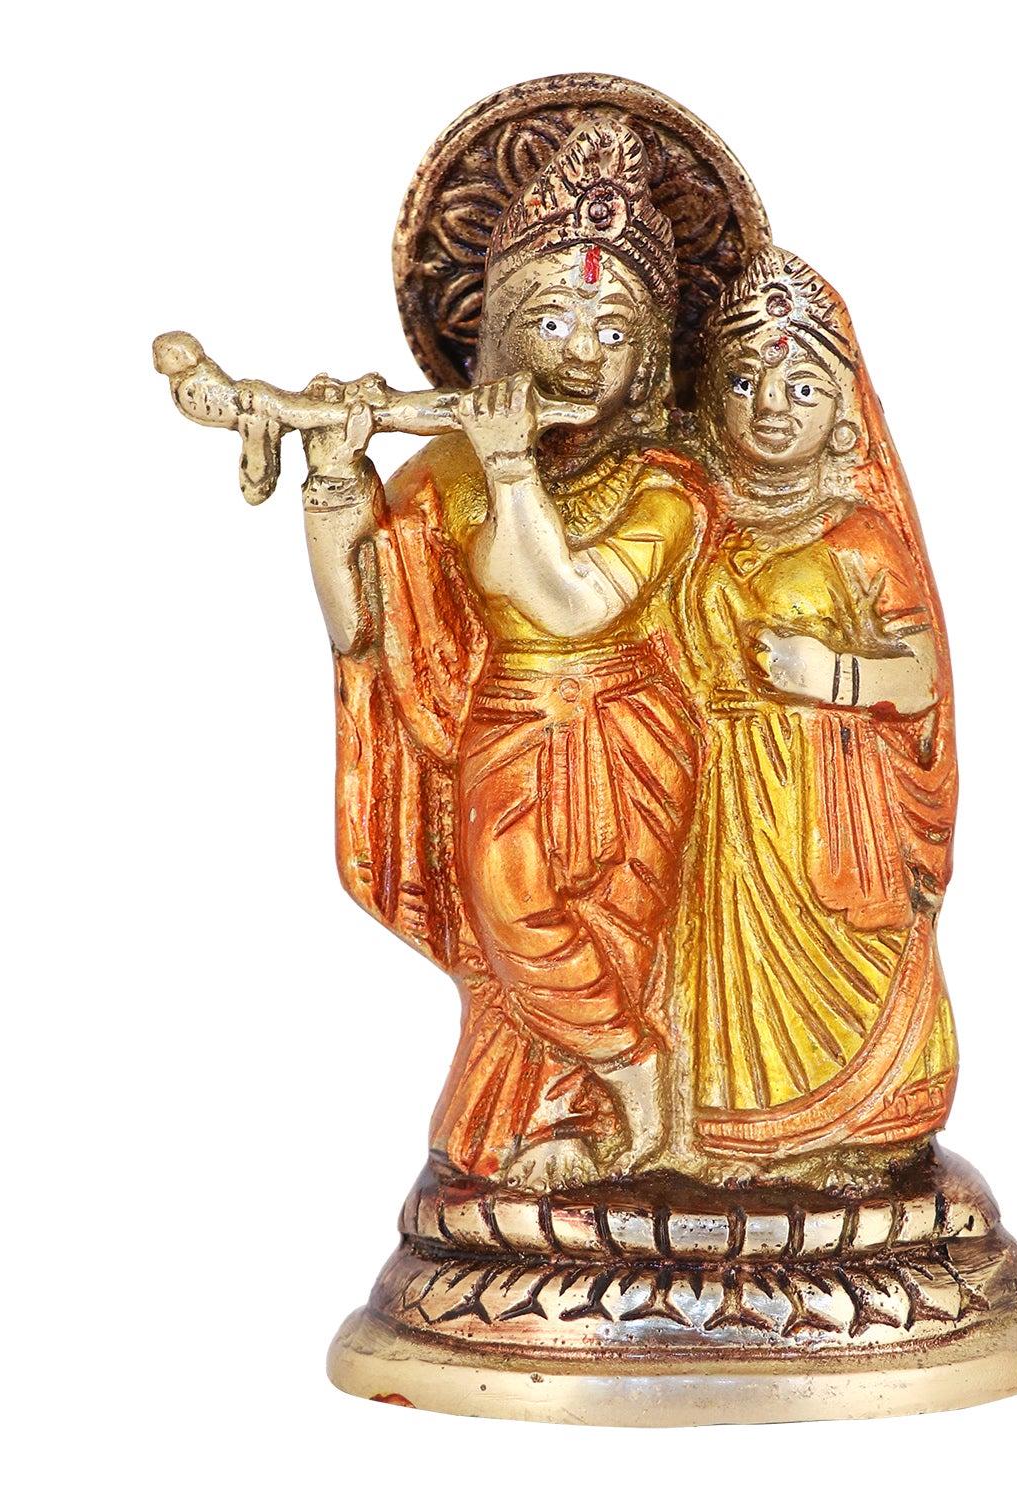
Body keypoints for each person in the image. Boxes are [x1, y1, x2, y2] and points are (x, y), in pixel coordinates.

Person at [300, 123, 708, 1190]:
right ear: (500, 335)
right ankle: (628, 1067)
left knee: (613, 929)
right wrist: (335, 482)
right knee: (512, 911)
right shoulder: (448, 472)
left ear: (649, 356)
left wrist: (516, 469)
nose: (583, 351)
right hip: (501, 729)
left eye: (614, 329)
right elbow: (360, 627)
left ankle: (620, 1114)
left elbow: (571, 604)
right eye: (554, 319)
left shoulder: (667, 482)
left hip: (627, 735)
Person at [670, 248, 959, 1180]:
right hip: (719, 802)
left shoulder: (859, 536)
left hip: (827, 803)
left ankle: (862, 1120)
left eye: (802, 386)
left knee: (834, 957)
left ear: (843, 412)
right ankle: (731, 1134)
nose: (770, 406)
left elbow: (920, 677)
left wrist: (829, 673)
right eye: (744, 382)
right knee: (727, 971)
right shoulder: (686, 517)